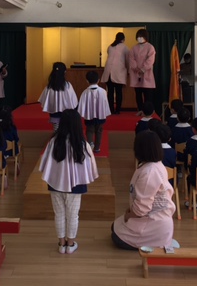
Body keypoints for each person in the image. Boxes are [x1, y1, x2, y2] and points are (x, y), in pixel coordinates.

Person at [39, 109, 99, 254]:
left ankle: (61, 244)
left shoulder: (54, 142)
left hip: (55, 184)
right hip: (75, 186)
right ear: (78, 124)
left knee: (59, 214)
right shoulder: (82, 144)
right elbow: (90, 166)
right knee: (73, 215)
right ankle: (70, 245)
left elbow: (45, 163)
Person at [111, 130, 176, 250]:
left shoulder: (149, 172)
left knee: (116, 236)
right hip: (155, 220)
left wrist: (129, 215)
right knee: (114, 226)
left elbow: (142, 209)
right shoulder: (155, 165)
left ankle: (151, 242)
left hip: (153, 224)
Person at [77, 70, 111, 153]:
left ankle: (90, 143)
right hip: (100, 115)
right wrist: (105, 113)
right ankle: (97, 148)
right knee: (99, 131)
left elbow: (82, 104)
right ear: (98, 80)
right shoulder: (103, 91)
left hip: (89, 116)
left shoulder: (85, 92)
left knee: (89, 130)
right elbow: (105, 103)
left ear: (87, 81)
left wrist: (82, 113)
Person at [39, 62, 78, 130]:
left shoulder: (49, 86)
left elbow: (43, 99)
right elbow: (73, 100)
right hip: (66, 112)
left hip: (54, 111)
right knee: (66, 127)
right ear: (64, 72)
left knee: (56, 127)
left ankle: (56, 135)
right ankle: (65, 136)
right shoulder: (68, 85)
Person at [101, 32, 129, 114]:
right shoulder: (125, 47)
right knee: (118, 92)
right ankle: (118, 110)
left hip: (108, 72)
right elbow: (127, 61)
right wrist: (128, 70)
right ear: (123, 39)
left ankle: (110, 109)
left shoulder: (110, 46)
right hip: (118, 72)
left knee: (110, 92)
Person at [129, 29, 156, 113]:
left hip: (147, 73)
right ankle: (140, 110)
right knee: (138, 94)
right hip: (136, 74)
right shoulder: (134, 48)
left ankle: (148, 111)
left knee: (148, 95)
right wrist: (136, 68)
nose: (139, 38)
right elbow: (131, 59)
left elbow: (150, 60)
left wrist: (143, 69)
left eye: (141, 36)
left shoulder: (150, 47)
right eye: (138, 36)